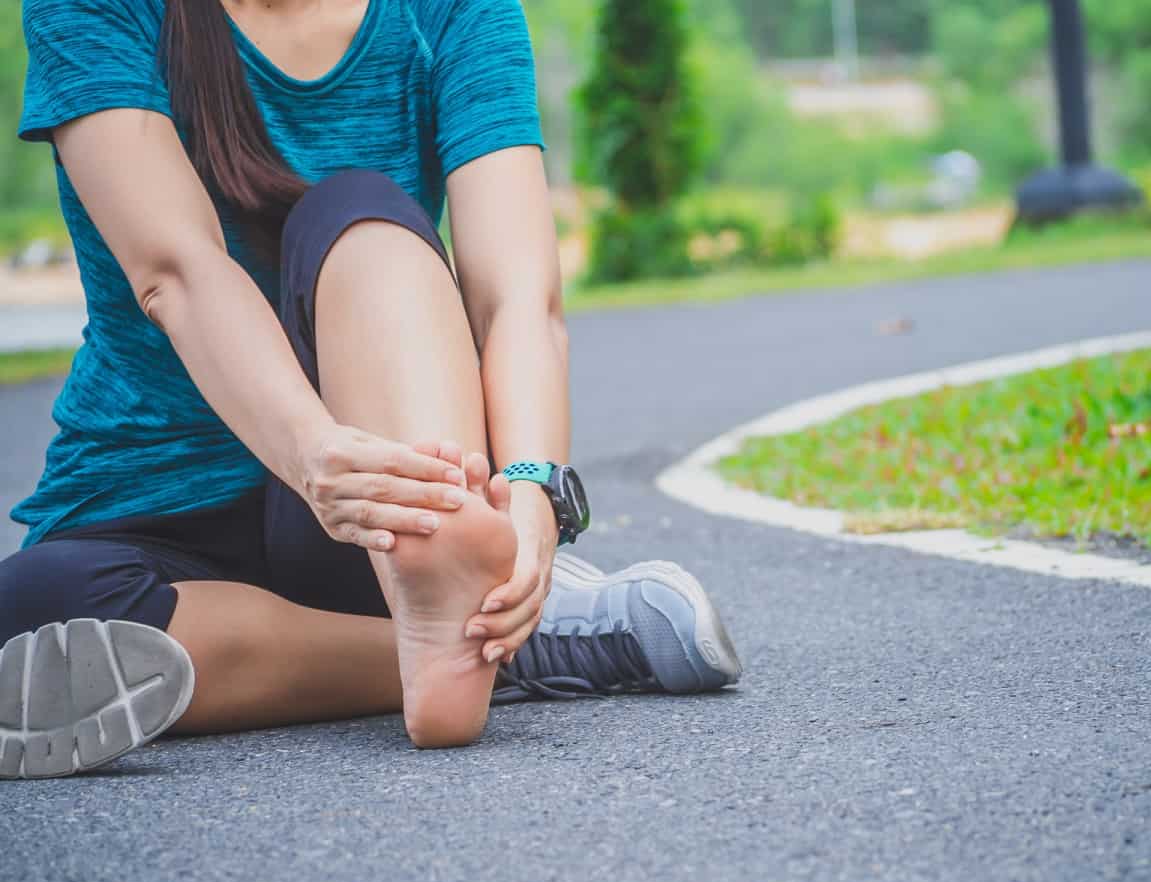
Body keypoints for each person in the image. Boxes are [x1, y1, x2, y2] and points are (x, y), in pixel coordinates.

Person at [0, 0, 742, 779]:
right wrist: (311, 452)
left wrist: (530, 494)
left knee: (359, 212)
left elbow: (515, 298)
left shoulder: (451, 11)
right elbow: (176, 272)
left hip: (388, 515)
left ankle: (452, 608)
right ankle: (504, 648)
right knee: (27, 623)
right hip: (161, 499)